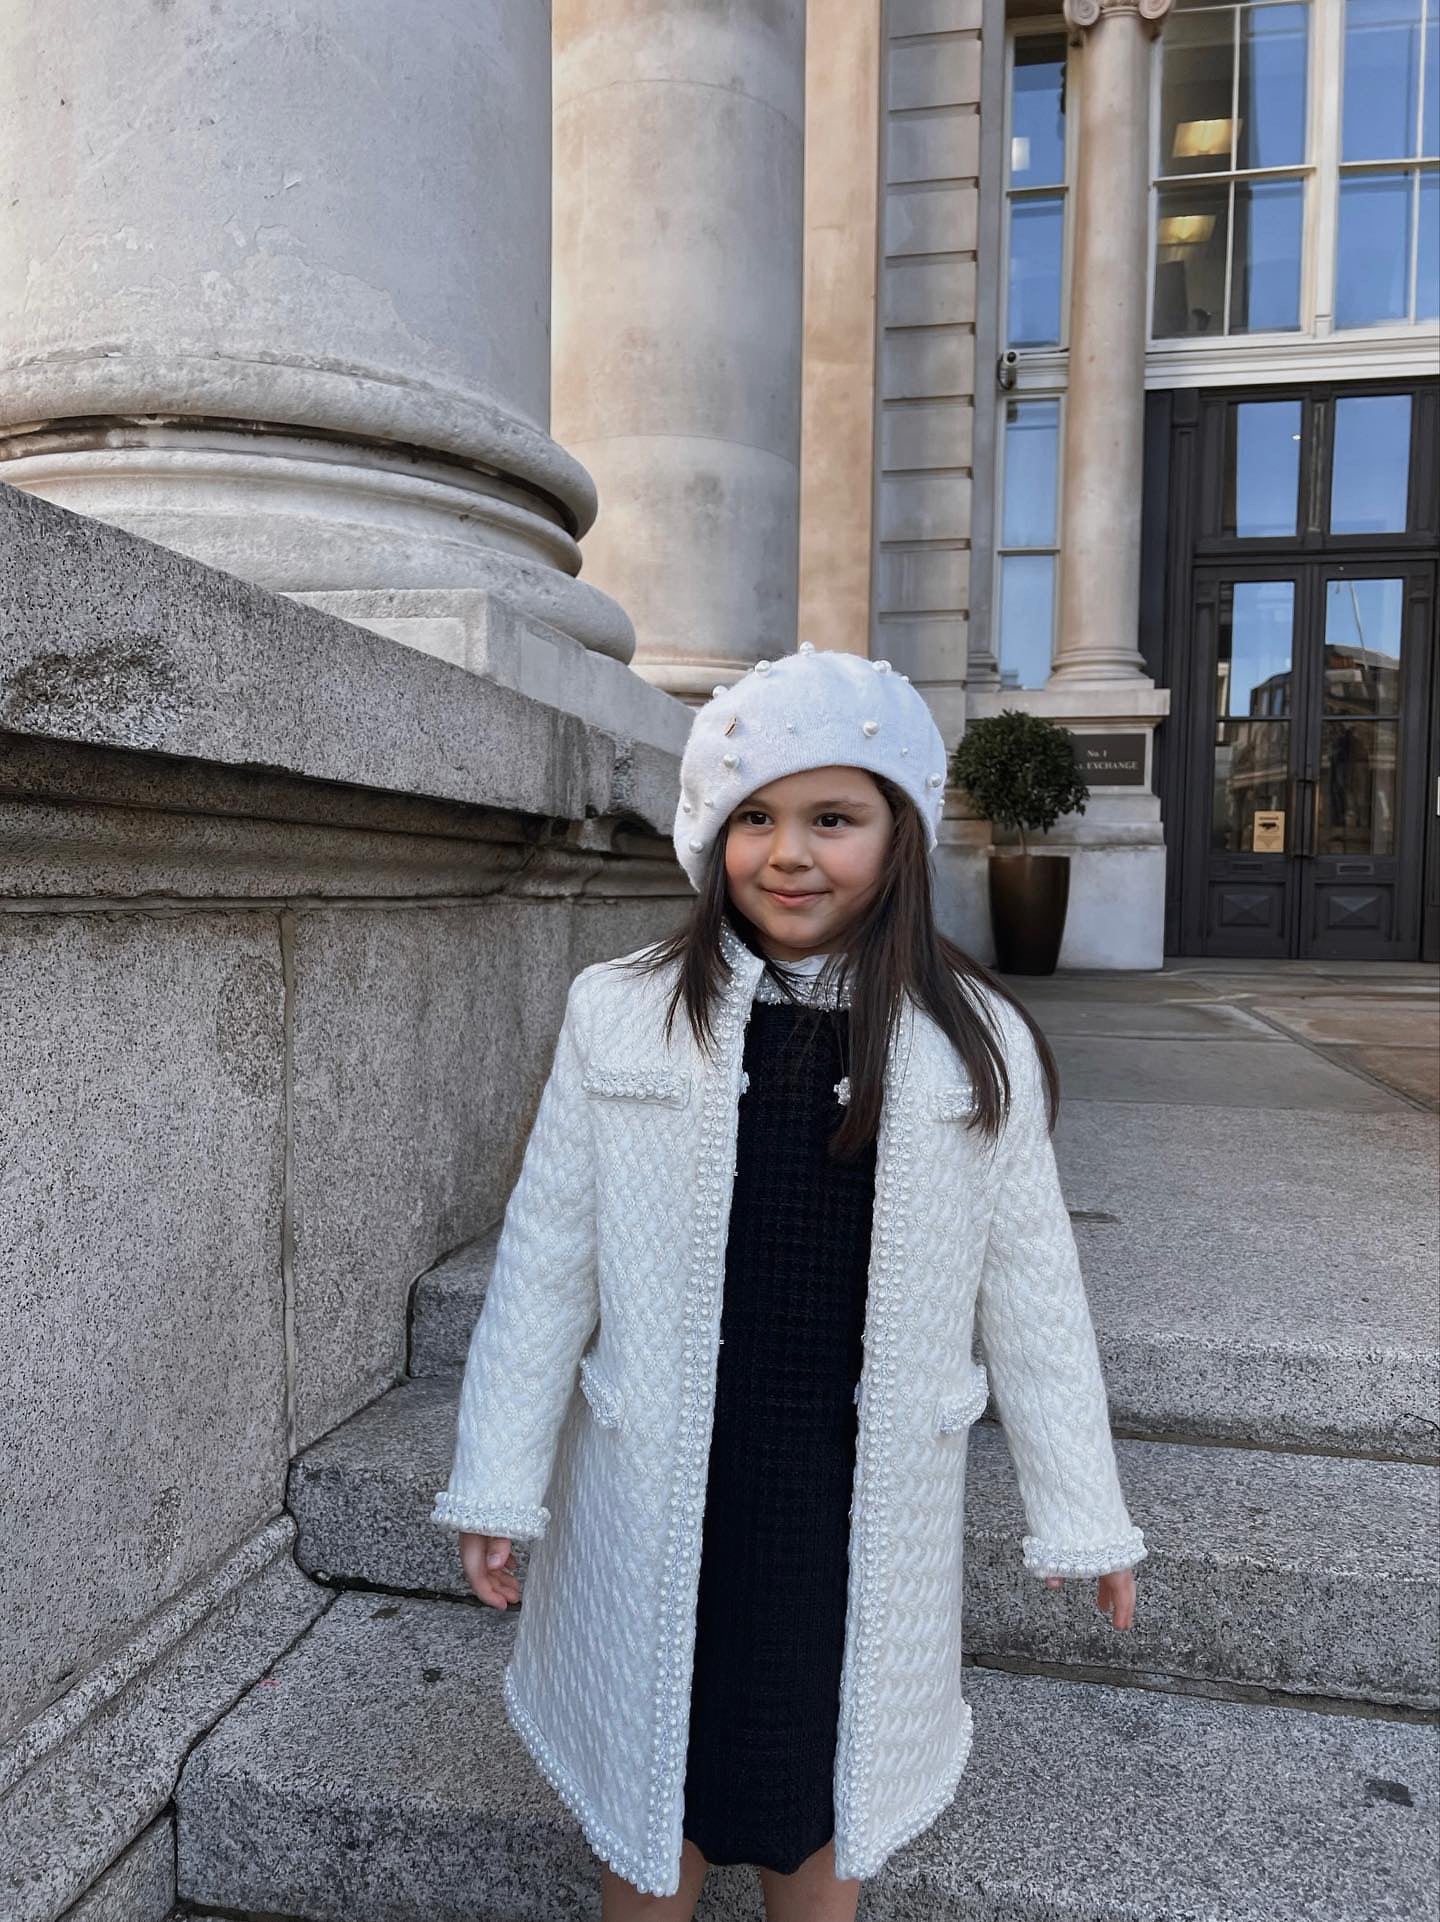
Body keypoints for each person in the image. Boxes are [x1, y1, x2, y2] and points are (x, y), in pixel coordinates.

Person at [431, 642, 1147, 1922]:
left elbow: (1036, 1295)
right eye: (755, 817)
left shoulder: (970, 1044)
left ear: (901, 830)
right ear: (712, 832)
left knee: (826, 1779)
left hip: (845, 1501)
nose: (790, 853)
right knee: (654, 1782)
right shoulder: (623, 1011)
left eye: (833, 817)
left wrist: (1083, 1509)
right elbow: (545, 1262)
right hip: (664, 1487)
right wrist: (499, 1476)